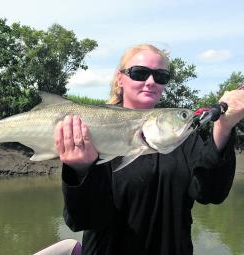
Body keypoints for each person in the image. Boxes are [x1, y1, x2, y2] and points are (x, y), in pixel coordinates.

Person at [54, 44, 244, 255]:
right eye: (140, 73)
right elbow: (84, 219)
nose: (151, 82)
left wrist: (224, 127)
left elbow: (210, 193)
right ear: (120, 78)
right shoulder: (89, 132)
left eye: (161, 76)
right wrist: (81, 170)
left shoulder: (185, 139)